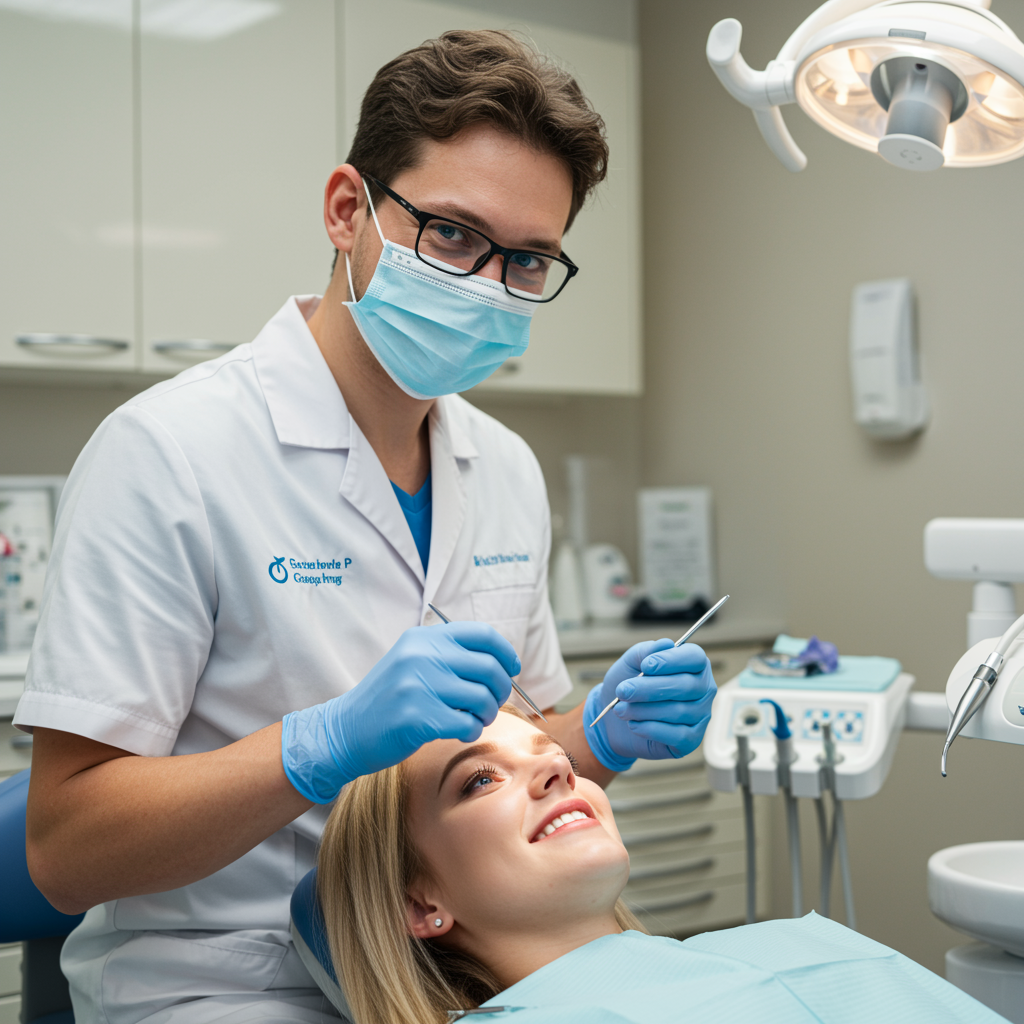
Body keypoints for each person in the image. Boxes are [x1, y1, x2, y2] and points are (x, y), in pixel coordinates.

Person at [15, 28, 717, 1024]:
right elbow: (65, 847)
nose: (486, 282)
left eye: (526, 261)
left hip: (452, 967)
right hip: (223, 979)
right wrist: (319, 746)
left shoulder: (505, 469)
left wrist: (595, 733)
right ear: (350, 211)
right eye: (454, 236)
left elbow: (504, 750)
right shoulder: (169, 453)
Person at [319, 706, 1004, 1024]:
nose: (558, 768)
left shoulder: (797, 940)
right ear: (420, 903)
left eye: (544, 751)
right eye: (479, 781)